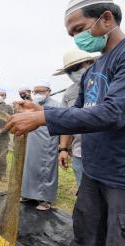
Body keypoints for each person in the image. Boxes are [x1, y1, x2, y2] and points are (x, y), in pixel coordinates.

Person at [6, 0, 125, 246]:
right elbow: (78, 113)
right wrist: (40, 110)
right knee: (89, 242)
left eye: (80, 29)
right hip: (96, 173)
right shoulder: (93, 71)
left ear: (106, 19)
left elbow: (114, 112)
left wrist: (44, 118)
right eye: (71, 34)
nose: (77, 38)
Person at [54, 49, 96, 187]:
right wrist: (63, 149)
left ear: (90, 63)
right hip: (80, 153)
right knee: (85, 194)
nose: (73, 74)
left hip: (107, 153)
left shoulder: (107, 84)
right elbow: (66, 122)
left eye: (76, 68)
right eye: (69, 71)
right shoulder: (69, 93)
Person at [20, 81, 60, 211]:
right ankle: (28, 194)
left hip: (48, 141)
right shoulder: (32, 104)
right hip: (32, 140)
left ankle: (45, 199)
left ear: (48, 91)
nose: (38, 94)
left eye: (41, 91)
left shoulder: (56, 105)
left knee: (46, 169)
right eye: (36, 91)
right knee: (30, 166)